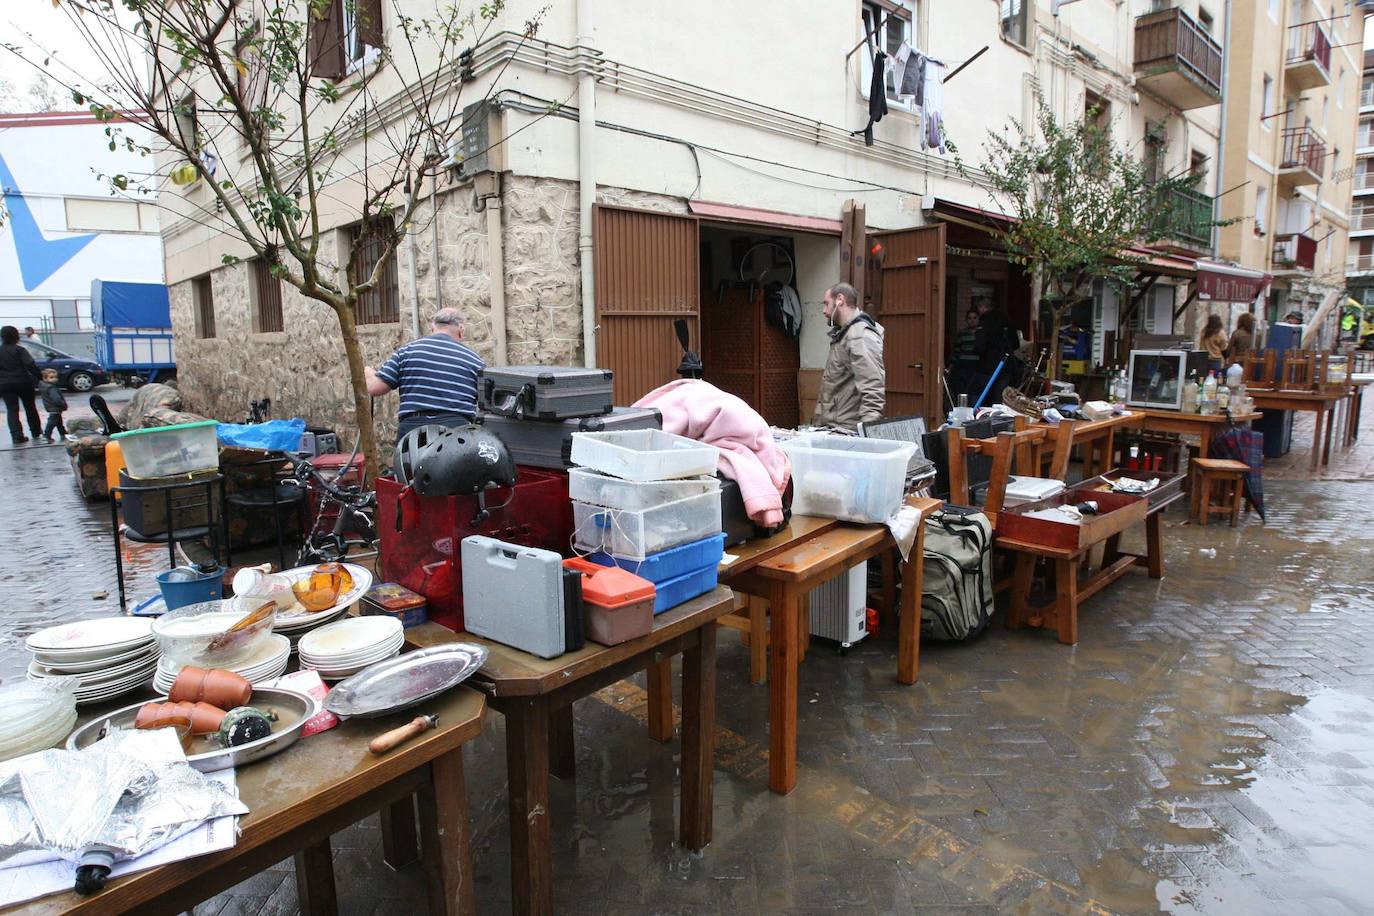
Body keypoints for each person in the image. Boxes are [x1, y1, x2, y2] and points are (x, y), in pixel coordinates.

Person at [365, 307, 485, 441]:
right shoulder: (475, 361)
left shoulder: (407, 351)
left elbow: (375, 388)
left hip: (413, 431)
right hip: (456, 430)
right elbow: (485, 404)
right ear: (461, 330)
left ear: (432, 327)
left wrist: (367, 371)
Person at [813, 282, 885, 431]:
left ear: (840, 300)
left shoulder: (859, 336)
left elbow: (872, 390)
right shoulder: (845, 334)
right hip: (834, 430)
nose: (823, 310)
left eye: (826, 304)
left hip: (846, 433)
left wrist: (867, 438)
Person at [0, 325, 43, 445]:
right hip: (23, 382)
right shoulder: (20, 350)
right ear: (16, 336)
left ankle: (16, 435)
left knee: (12, 409)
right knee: (30, 407)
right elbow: (30, 364)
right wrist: (40, 377)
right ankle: (36, 431)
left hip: (5, 384)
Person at [973, 297, 1022, 400]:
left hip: (987, 366)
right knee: (1001, 397)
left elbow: (979, 346)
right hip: (1006, 365)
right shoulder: (1006, 319)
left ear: (982, 308)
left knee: (983, 396)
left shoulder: (985, 321)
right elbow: (1016, 343)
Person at [949, 306, 981, 399]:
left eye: (975, 318)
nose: (972, 320)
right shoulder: (962, 333)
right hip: (962, 366)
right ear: (966, 320)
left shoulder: (982, 333)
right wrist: (951, 366)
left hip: (976, 367)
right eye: (969, 318)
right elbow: (957, 350)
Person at [38, 368, 68, 442]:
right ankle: (47, 435)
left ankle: (62, 432)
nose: (54, 379)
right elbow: (56, 398)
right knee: (52, 421)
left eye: (55, 377)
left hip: (50, 407)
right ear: (45, 378)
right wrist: (63, 404)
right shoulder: (51, 388)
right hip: (55, 407)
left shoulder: (44, 386)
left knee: (58, 421)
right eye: (51, 377)